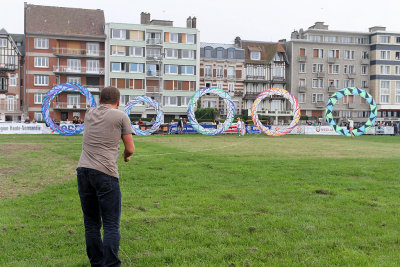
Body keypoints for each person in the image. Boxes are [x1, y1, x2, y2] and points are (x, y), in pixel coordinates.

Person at [76, 86, 134, 267]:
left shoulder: (89, 113)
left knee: (91, 224)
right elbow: (130, 148)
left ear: (100, 100)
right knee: (110, 224)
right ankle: (110, 264)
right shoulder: (121, 116)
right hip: (105, 173)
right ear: (118, 101)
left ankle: (97, 263)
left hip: (83, 171)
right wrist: (126, 156)